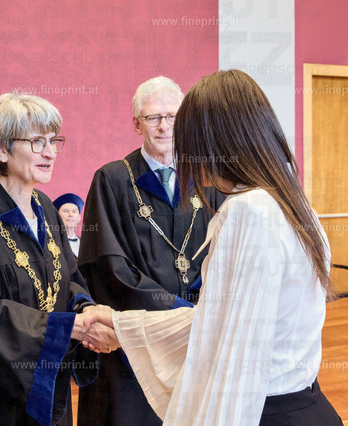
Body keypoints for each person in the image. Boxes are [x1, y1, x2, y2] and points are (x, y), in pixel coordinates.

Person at [82, 69, 342, 425]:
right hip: (304, 404)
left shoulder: (246, 211)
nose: (183, 149)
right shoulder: (290, 203)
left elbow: (233, 359)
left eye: (186, 134)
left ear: (215, 141)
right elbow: (221, 322)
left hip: (266, 411)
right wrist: (122, 324)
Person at [0, 93, 117, 426]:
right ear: (1, 149)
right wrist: (65, 328)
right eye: (36, 142)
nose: (50, 152)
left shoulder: (47, 209)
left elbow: (70, 280)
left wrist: (86, 313)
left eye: (53, 141)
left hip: (49, 382)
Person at [76, 76, 225, 426]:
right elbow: (108, 264)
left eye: (172, 116)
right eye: (153, 117)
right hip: (135, 335)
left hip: (194, 334)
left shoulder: (208, 179)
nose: (164, 126)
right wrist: (175, 309)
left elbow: (222, 252)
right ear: (136, 124)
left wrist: (201, 308)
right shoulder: (112, 180)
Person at [53, 193, 84, 257]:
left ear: (79, 218)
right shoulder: (52, 244)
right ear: (57, 217)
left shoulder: (86, 244)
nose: (70, 215)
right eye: (65, 211)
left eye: (74, 211)